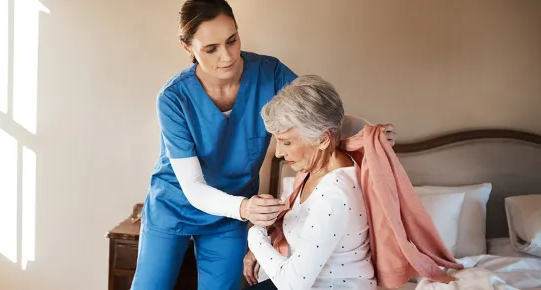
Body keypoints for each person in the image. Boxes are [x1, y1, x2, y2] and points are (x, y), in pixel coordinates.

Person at [131, 1, 396, 289]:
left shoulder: (270, 74)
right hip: (175, 206)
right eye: (211, 49)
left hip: (230, 215)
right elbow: (193, 187)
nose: (227, 56)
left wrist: (368, 132)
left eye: (232, 40)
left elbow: (316, 118)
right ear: (188, 48)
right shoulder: (173, 98)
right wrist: (245, 209)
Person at [243, 75, 376, 290]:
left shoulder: (335, 194)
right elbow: (342, 120)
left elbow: (292, 284)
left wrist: (255, 235)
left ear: (322, 139)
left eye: (286, 142)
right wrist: (271, 226)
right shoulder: (314, 168)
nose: (278, 152)